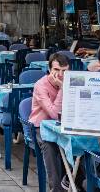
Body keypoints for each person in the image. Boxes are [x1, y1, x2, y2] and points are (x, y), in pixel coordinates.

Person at [30, 53, 70, 192]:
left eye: (64, 71)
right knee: (50, 147)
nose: (60, 74)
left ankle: (72, 181)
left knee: (80, 143)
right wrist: (63, 89)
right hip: (40, 126)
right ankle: (56, 189)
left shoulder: (70, 82)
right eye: (56, 70)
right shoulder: (41, 86)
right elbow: (54, 114)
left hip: (62, 126)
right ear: (49, 69)